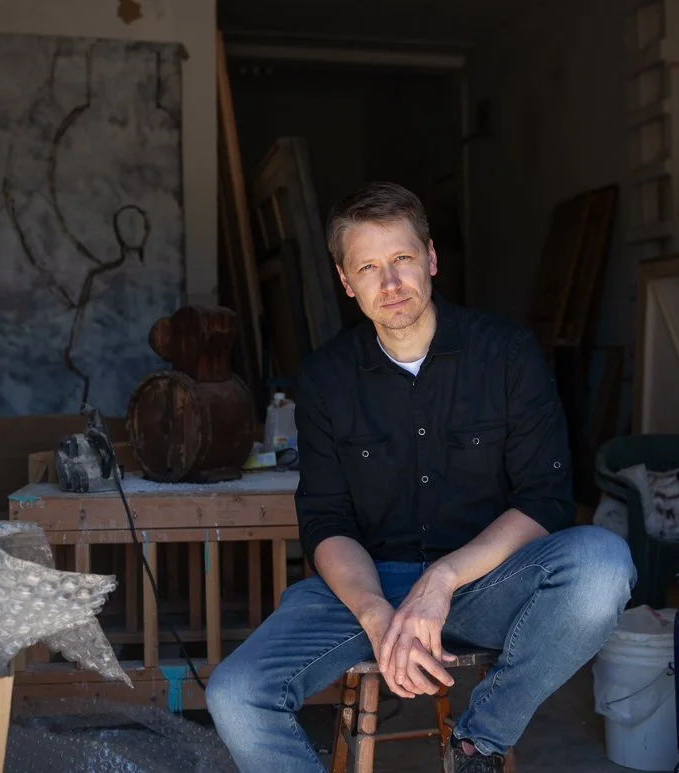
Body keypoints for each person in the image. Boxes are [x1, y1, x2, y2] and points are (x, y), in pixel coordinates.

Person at [206, 181, 637, 773]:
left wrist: (441, 580)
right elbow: (326, 520)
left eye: (403, 259)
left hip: (484, 583)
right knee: (234, 692)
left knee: (602, 565)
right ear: (345, 281)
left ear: (430, 259)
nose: (390, 284)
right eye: (369, 267)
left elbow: (546, 500)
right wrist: (377, 613)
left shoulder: (506, 354)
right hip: (365, 588)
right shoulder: (327, 377)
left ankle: (478, 743)